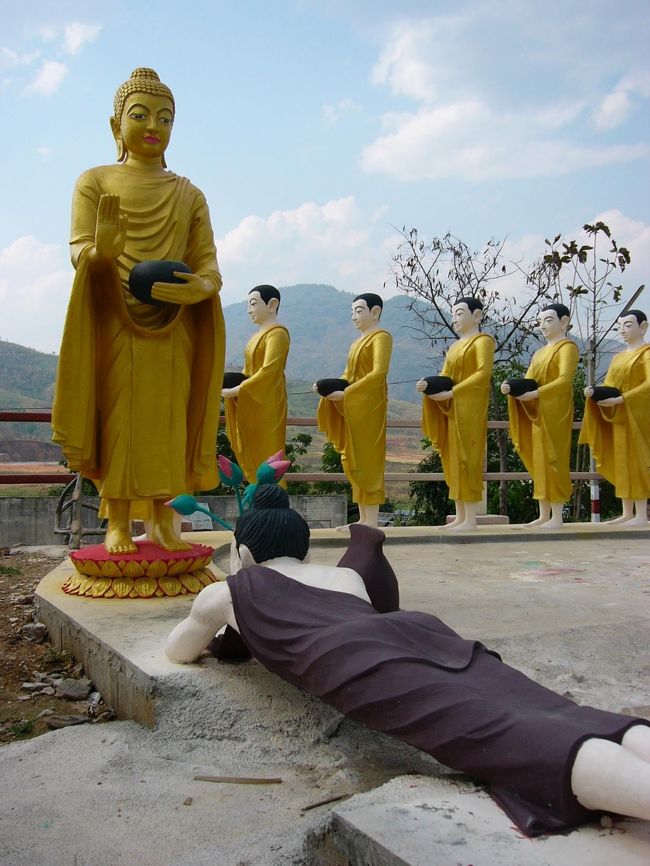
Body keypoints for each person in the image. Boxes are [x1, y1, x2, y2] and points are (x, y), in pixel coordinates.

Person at [166, 485, 650, 838]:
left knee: (493, 728)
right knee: (527, 700)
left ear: (244, 552)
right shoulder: (343, 579)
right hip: (419, 632)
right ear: (303, 548)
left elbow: (179, 650)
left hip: (356, 660)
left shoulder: (230, 589)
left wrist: (230, 596)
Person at [52, 68, 225, 555]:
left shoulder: (188, 194)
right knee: (123, 423)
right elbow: (79, 249)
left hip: (175, 328)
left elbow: (208, 264)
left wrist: (201, 288)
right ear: (116, 126)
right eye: (141, 115)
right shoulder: (95, 182)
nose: (154, 124)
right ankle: (119, 522)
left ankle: (165, 521)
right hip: (116, 321)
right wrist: (100, 253)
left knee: (170, 422)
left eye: (165, 118)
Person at [314, 293, 392, 527]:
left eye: (359, 311)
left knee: (368, 460)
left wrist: (348, 393)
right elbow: (348, 375)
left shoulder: (382, 337)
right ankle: (363, 518)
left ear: (375, 312)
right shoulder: (356, 343)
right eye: (352, 312)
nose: (354, 316)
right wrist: (329, 387)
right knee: (352, 459)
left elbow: (378, 373)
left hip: (369, 407)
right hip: (353, 407)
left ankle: (372, 519)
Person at [417, 297, 494, 530]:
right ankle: (460, 515)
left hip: (469, 409)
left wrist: (453, 393)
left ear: (477, 316)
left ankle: (470, 518)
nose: (454, 319)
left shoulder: (483, 341)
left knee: (467, 460)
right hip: (451, 411)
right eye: (453, 314)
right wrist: (430, 386)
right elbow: (446, 375)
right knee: (452, 461)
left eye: (460, 314)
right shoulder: (454, 347)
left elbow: (482, 374)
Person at [501, 303, 579, 528]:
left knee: (554, 459)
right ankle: (544, 514)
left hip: (556, 412)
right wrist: (513, 388)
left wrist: (536, 393)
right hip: (536, 411)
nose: (543, 326)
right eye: (540, 321)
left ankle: (557, 515)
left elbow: (564, 380)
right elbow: (529, 379)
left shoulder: (567, 348)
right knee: (539, 461)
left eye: (549, 320)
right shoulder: (540, 352)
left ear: (563, 322)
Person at [580, 310, 650, 525]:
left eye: (628, 325)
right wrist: (596, 393)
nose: (623, 330)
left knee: (637, 461)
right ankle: (627, 511)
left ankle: (641, 513)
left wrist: (622, 399)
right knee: (622, 462)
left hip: (638, 417)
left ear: (643, 327)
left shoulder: (646, 353)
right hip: (618, 418)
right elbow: (610, 384)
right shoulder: (618, 357)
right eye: (620, 326)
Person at [222, 285, 290, 483]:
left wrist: (238, 388)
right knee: (250, 451)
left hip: (267, 403)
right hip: (250, 401)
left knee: (268, 455)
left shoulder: (277, 334)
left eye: (253, 304)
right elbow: (247, 371)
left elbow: (269, 370)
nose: (249, 309)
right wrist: (234, 386)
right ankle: (256, 499)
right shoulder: (254, 338)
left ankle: (272, 503)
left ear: (272, 305)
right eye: (248, 305)